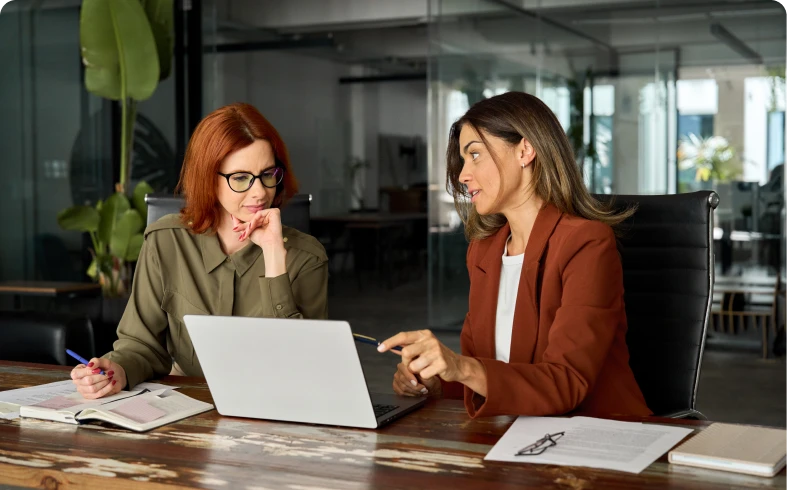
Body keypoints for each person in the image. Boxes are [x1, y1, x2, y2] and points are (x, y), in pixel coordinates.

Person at [380, 92, 651, 418]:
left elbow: (566, 382)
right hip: (513, 437)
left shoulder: (586, 244)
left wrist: (461, 368)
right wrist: (434, 380)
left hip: (594, 439)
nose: (464, 174)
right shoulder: (484, 252)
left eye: (475, 155)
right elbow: (489, 377)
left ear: (524, 150)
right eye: (464, 160)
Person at [71, 103, 329, 399]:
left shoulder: (306, 256)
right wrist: (117, 370)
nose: (260, 192)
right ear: (208, 177)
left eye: (268, 174)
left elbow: (303, 366)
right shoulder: (166, 242)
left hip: (274, 408)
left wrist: (274, 258)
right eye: (241, 178)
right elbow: (141, 346)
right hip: (187, 407)